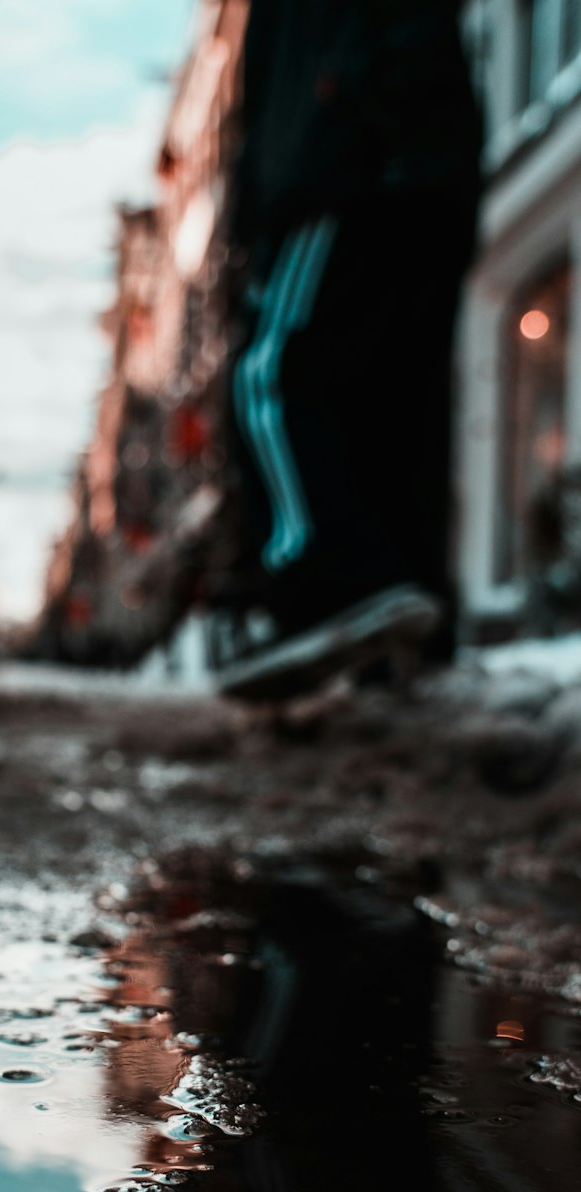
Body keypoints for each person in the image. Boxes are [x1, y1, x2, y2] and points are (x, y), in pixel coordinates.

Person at [219, 0, 483, 703]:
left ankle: (328, 579)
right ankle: (402, 629)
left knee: (268, 375)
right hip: (428, 165)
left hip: (345, 159)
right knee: (398, 407)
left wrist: (338, 103)